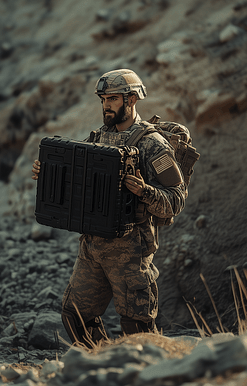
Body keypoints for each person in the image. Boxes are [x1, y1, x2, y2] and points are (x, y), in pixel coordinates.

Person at [31, 68, 186, 347]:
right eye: (103, 99)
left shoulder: (153, 145)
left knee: (137, 328)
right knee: (75, 315)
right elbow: (81, 185)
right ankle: (101, 362)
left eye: (113, 99)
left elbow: (176, 199)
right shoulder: (98, 138)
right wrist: (49, 174)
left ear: (132, 100)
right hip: (93, 247)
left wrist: (145, 191)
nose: (106, 105)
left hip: (131, 251)